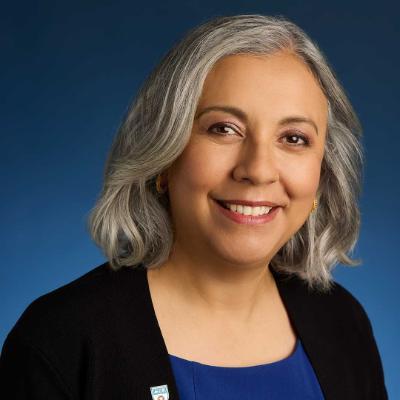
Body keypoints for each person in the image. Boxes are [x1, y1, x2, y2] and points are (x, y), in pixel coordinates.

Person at [0, 14, 388, 400]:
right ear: (164, 158)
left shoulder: (343, 323)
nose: (257, 170)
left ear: (321, 174)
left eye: (293, 138)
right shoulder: (60, 341)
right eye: (223, 129)